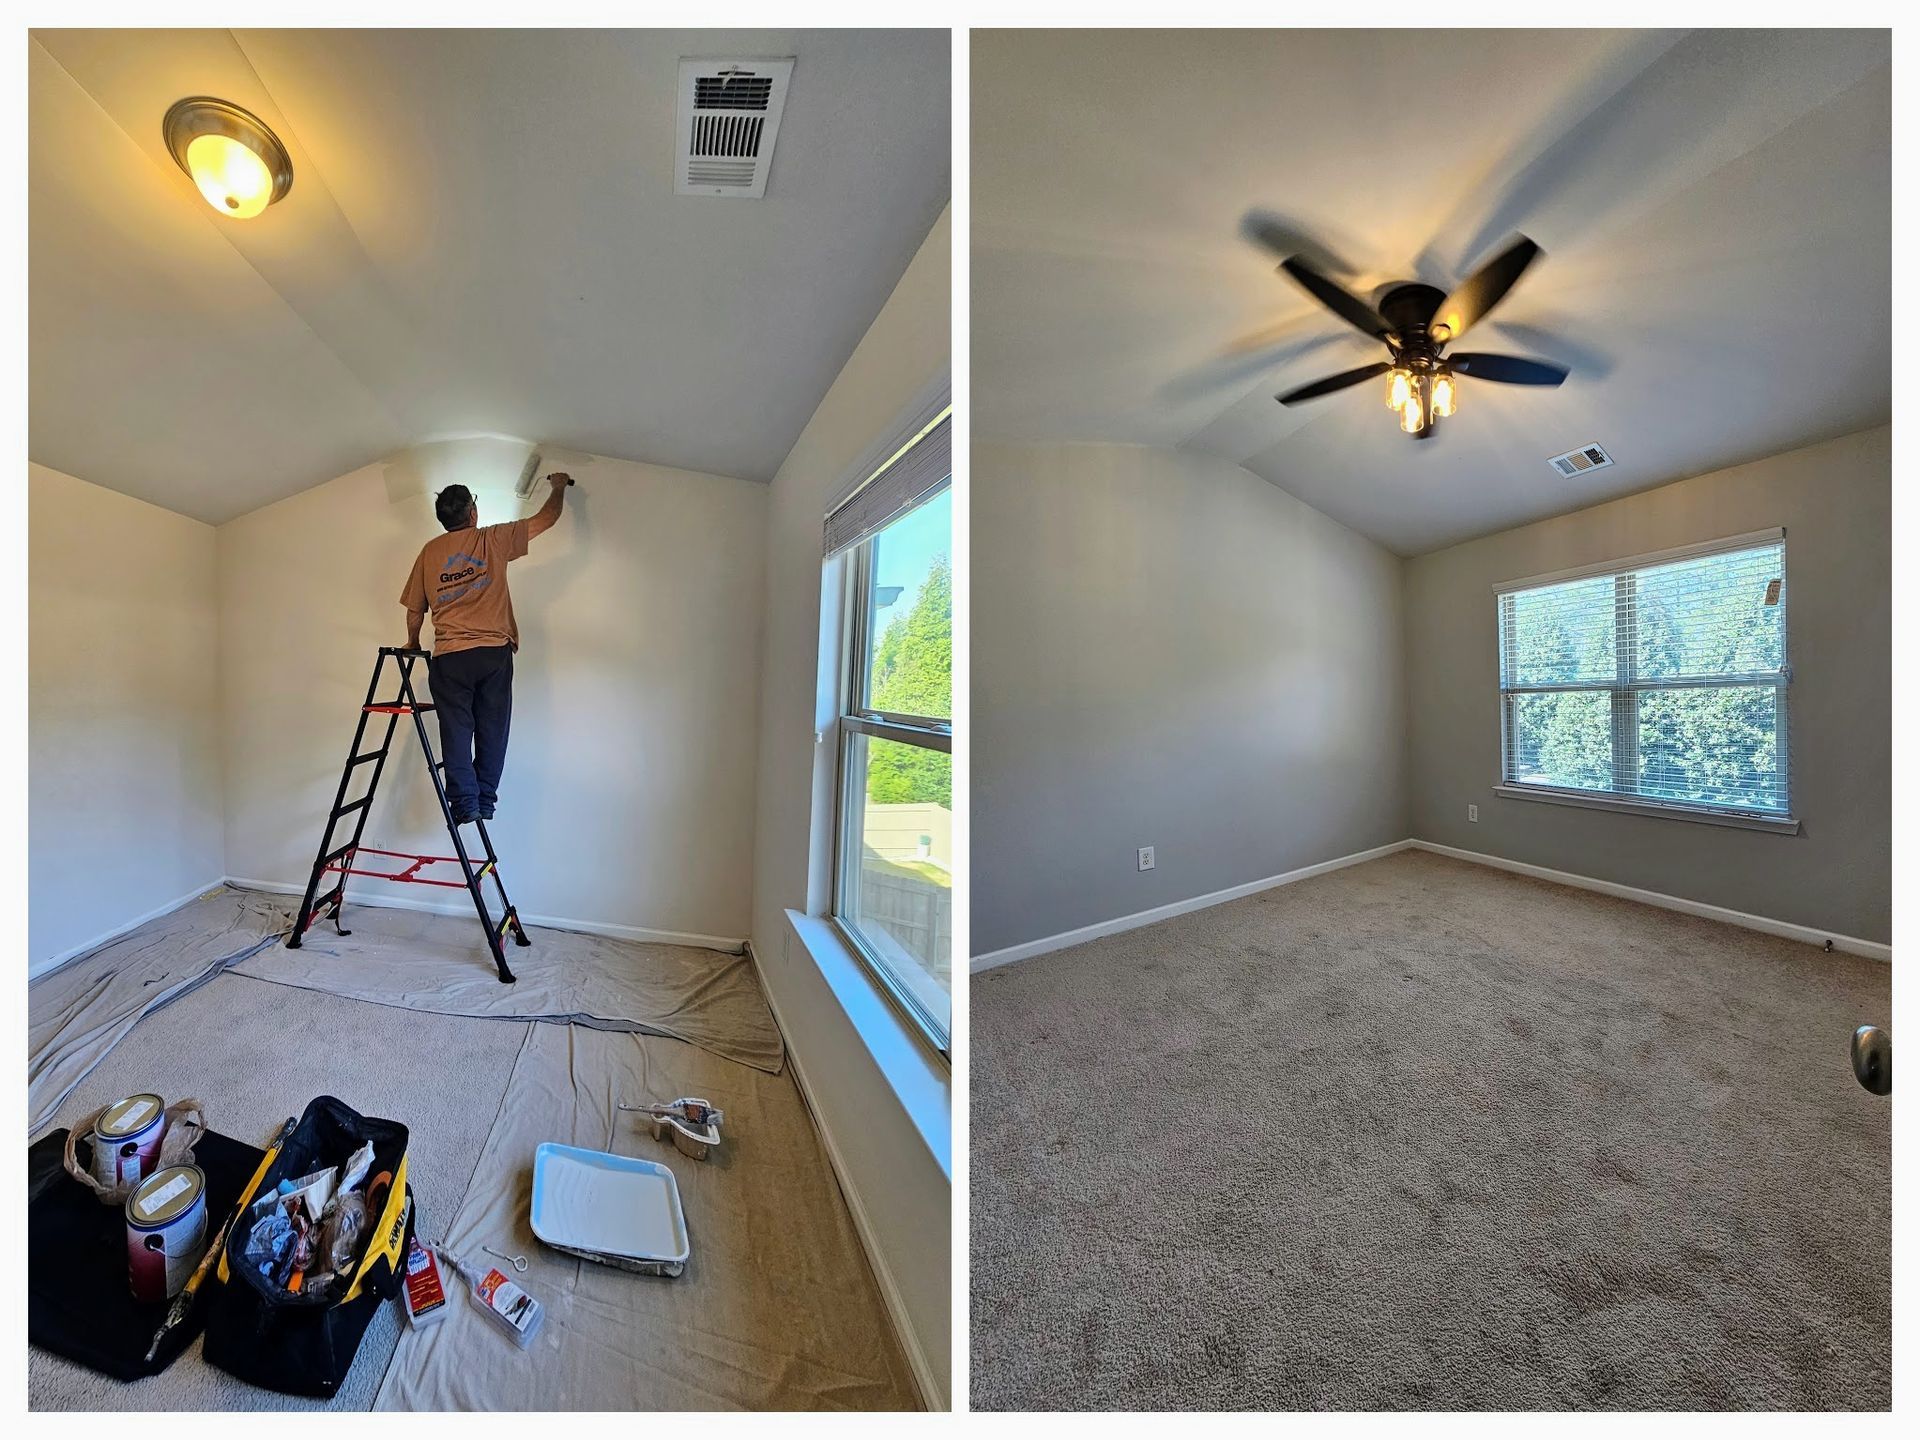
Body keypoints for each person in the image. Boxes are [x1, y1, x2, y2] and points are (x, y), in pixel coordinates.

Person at [399, 472, 571, 825]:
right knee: (492, 728)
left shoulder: (430, 552)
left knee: (456, 730)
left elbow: (415, 609)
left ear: (443, 518)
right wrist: (557, 486)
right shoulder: (493, 538)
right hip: (492, 653)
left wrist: (413, 641)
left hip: (449, 658)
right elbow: (546, 519)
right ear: (472, 512)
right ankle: (485, 800)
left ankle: (465, 802)